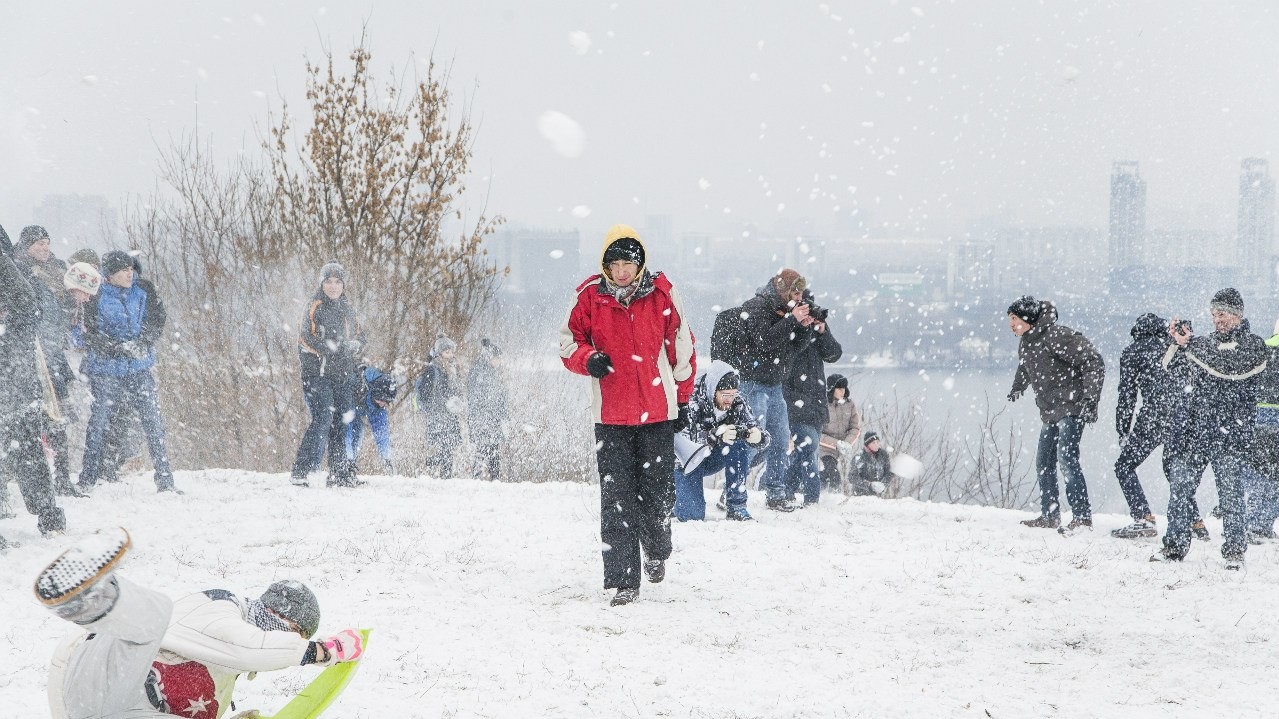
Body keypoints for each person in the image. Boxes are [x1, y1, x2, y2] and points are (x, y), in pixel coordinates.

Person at [36, 527, 364, 719]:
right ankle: (88, 597)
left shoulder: (230, 669)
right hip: (97, 681)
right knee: (156, 613)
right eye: (295, 633)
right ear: (278, 615)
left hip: (125, 712)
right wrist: (325, 651)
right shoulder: (219, 606)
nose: (291, 641)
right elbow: (250, 647)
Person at [560, 224, 695, 606]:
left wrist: (682, 400)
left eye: (628, 264)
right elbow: (568, 342)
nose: (621, 271)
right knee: (617, 498)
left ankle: (656, 550)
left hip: (657, 412)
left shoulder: (662, 294)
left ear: (640, 264)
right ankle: (624, 581)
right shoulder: (589, 296)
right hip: (611, 416)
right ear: (605, 265)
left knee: (658, 493)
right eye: (614, 264)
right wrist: (589, 358)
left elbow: (681, 348)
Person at [1153, 289, 1267, 568]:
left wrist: (1192, 347)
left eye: (1222, 314)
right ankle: (1174, 547)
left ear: (1238, 315)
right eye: (1214, 314)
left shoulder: (1254, 346)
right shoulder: (1202, 345)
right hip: (1197, 432)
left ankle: (1234, 551)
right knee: (1180, 488)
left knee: (1230, 494)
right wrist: (1178, 344)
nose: (1217, 320)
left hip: (1231, 434)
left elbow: (1229, 368)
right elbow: (1168, 368)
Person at [76, 250, 176, 494]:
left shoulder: (144, 290)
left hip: (139, 368)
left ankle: (165, 479)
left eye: (131, 269)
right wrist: (115, 348)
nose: (129, 274)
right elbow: (86, 333)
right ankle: (87, 477)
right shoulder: (95, 294)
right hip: (106, 370)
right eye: (123, 270)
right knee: (99, 422)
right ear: (110, 275)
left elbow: (157, 319)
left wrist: (143, 342)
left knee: (153, 422)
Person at [1006, 296, 1105, 534]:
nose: (1011, 324)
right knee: (1044, 463)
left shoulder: (1056, 335)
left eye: (1014, 319)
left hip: (1071, 406)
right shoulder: (1027, 342)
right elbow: (1026, 366)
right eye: (1009, 319)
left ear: (1028, 319)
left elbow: (1093, 361)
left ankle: (1082, 518)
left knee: (1067, 460)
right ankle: (1050, 516)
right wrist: (1018, 386)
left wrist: (1090, 398)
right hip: (1050, 410)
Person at [1112, 313, 1207, 539]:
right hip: (1181, 417)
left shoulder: (1132, 352)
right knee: (1174, 470)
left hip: (1153, 417)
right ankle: (1195, 523)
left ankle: (1143, 518)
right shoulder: (1173, 346)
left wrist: (1123, 429)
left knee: (1124, 466)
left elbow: (1127, 396)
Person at [0, 228, 67, 543]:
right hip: (17, 375)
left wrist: (7, 328)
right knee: (25, 446)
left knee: (24, 444)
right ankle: (48, 516)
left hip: (13, 374)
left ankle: (49, 516)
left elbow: (27, 306)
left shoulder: (7, 268)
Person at [737, 269, 816, 512]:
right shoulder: (757, 307)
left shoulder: (785, 312)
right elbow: (765, 341)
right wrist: (792, 320)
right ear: (783, 290)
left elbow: (794, 348)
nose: (799, 297)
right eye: (795, 292)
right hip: (753, 384)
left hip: (774, 385)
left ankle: (776, 493)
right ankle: (733, 490)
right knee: (752, 440)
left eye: (801, 293)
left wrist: (804, 327)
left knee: (780, 441)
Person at [15, 228, 83, 498]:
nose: (45, 248)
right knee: (32, 424)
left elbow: (60, 314)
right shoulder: (18, 270)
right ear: (27, 246)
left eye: (47, 243)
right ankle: (34, 485)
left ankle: (63, 478)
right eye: (39, 243)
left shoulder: (57, 270)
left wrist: (74, 302)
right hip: (33, 357)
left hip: (54, 356)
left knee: (58, 420)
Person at [291, 260, 366, 488]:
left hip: (342, 373)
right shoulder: (314, 306)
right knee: (323, 418)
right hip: (317, 373)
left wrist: (355, 345)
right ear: (322, 284)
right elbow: (305, 337)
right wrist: (329, 348)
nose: (333, 286)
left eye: (338, 282)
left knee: (342, 421)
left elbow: (361, 335)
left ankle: (339, 473)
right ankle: (302, 470)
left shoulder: (348, 309)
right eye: (329, 281)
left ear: (344, 285)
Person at [673, 360, 769, 521]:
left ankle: (736, 506)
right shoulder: (692, 399)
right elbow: (684, 439)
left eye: (733, 394)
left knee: (738, 441)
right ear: (713, 390)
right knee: (692, 516)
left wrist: (758, 436)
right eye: (725, 395)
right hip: (685, 462)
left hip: (712, 457)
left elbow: (762, 435)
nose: (729, 400)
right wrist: (716, 435)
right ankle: (673, 499)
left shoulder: (737, 402)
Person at [781, 289, 843, 506]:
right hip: (794, 399)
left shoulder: (816, 330)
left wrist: (822, 330)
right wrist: (799, 325)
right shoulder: (788, 326)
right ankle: (811, 499)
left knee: (805, 451)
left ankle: (785, 490)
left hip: (816, 401)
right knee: (808, 449)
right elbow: (787, 352)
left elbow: (834, 354)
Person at [415, 336, 464, 478]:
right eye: (447, 352)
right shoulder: (433, 369)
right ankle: (441, 471)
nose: (450, 355)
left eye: (451, 351)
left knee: (449, 446)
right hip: (438, 413)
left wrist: (456, 401)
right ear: (440, 353)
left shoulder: (453, 368)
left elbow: (456, 389)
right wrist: (436, 405)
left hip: (450, 413)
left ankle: (444, 473)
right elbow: (425, 392)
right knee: (445, 446)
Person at [345, 365, 398, 475]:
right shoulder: (357, 388)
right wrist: (347, 457)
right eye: (382, 400)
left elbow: (381, 431)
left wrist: (386, 458)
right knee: (352, 429)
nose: (383, 404)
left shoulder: (378, 406)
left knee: (358, 429)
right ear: (376, 393)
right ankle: (345, 464)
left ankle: (350, 468)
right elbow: (346, 429)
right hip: (342, 406)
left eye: (387, 402)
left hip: (355, 412)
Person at [467, 338, 507, 481]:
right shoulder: (480, 372)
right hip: (483, 420)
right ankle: (480, 478)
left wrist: (502, 414)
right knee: (484, 449)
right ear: (490, 357)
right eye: (497, 358)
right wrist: (483, 417)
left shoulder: (491, 372)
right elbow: (476, 398)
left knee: (492, 450)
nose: (499, 361)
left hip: (491, 419)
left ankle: (494, 478)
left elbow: (499, 396)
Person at [819, 374, 861, 492]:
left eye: (844, 388)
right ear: (832, 389)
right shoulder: (822, 405)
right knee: (832, 473)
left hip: (843, 449)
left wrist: (847, 443)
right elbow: (817, 433)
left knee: (829, 475)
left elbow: (855, 428)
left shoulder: (850, 404)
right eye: (839, 388)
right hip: (824, 449)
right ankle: (833, 496)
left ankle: (825, 495)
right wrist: (837, 443)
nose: (843, 391)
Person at [849, 430, 892, 496]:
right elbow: (852, 477)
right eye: (873, 443)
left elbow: (889, 473)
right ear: (867, 444)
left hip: (878, 497)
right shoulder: (859, 457)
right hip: (860, 496)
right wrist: (869, 485)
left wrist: (883, 484)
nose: (876, 445)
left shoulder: (883, 455)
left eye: (877, 442)